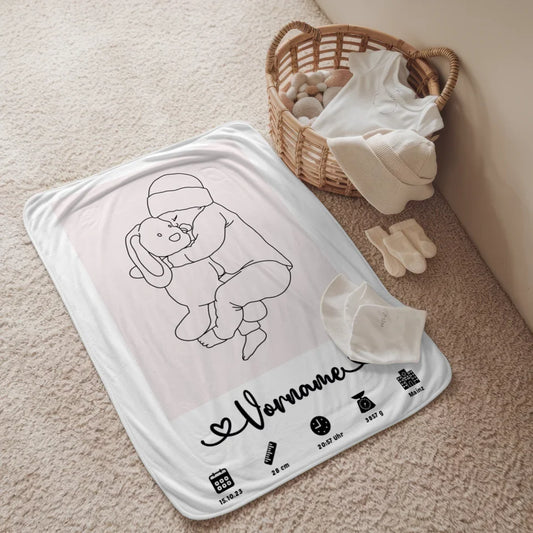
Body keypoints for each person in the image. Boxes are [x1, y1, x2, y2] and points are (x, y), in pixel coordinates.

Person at [146, 173, 292, 358]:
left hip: (268, 267)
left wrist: (173, 261)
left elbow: (206, 246)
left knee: (226, 296)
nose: (175, 224)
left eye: (175, 217)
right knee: (227, 296)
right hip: (240, 272)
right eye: (170, 223)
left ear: (194, 203)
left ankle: (221, 333)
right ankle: (253, 332)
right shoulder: (194, 224)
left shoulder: (211, 214)